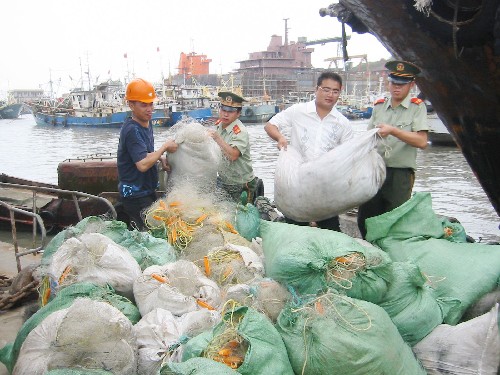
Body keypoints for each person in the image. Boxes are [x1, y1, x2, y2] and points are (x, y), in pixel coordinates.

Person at [264, 71, 353, 232]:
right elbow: (270, 125)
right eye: (326, 89)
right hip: (297, 183)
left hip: (325, 186)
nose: (330, 95)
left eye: (335, 91)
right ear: (316, 89)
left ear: (340, 93)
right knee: (296, 230)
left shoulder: (343, 123)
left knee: (331, 232)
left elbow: (349, 155)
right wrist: (280, 138)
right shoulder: (298, 111)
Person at [357, 60, 429, 239]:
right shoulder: (379, 106)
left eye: (402, 84)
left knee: (394, 219)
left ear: (411, 85)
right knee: (366, 217)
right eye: (394, 83)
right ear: (388, 82)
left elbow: (421, 141)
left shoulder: (416, 107)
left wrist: (394, 131)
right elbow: (368, 139)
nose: (397, 88)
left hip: (399, 174)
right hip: (374, 171)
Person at [117, 78, 178, 230]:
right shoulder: (132, 130)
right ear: (131, 105)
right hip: (135, 195)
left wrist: (160, 158)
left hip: (147, 190)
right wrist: (164, 148)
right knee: (149, 233)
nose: (149, 109)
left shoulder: (146, 122)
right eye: (143, 105)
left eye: (151, 104)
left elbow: (146, 151)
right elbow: (143, 164)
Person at [208, 91, 262, 203]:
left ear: (238, 114)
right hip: (225, 180)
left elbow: (232, 156)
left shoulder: (240, 131)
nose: (225, 114)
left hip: (241, 184)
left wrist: (217, 138)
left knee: (240, 216)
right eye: (223, 110)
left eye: (230, 111)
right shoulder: (219, 125)